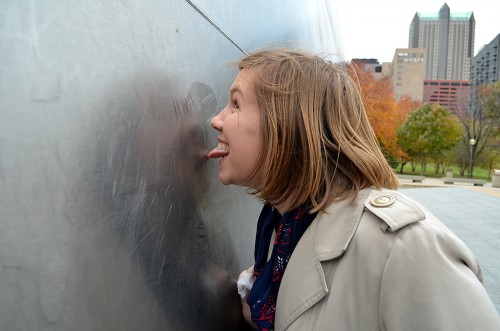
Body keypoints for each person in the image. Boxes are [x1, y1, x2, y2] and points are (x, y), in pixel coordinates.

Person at [207, 48, 500, 331]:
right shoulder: (281, 230)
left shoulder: (405, 248)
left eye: (235, 104)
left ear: (286, 123)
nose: (216, 120)